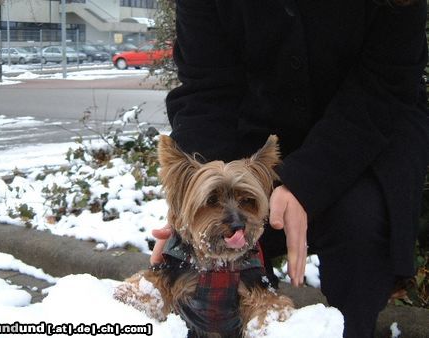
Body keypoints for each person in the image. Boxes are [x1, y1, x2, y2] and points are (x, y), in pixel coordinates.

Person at [150, 0, 429, 337]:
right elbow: (207, 89)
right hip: (249, 140)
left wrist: (304, 183)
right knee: (215, 251)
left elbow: (385, 83)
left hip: (367, 138)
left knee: (360, 226)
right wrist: (197, 195)